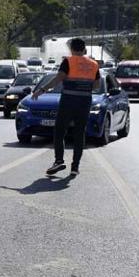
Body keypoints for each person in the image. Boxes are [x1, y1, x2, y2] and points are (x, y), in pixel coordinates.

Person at [32, 38, 99, 177]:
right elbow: (97, 85)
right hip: (85, 101)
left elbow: (58, 79)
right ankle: (75, 167)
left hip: (68, 100)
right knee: (79, 133)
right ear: (83, 48)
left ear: (72, 49)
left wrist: (41, 90)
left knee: (60, 130)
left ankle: (59, 160)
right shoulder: (93, 64)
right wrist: (84, 88)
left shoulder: (68, 61)